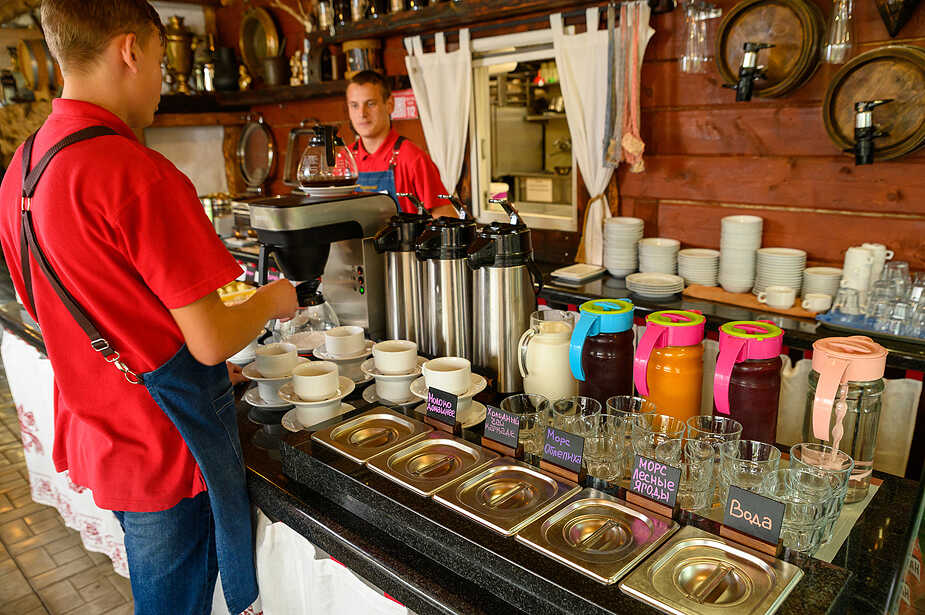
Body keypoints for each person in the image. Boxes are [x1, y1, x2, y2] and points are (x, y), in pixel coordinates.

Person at [0, 2, 297, 613]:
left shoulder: (22, 170)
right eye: (161, 61)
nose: (161, 80)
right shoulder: (136, 173)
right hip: (163, 446)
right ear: (130, 51)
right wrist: (271, 300)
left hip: (97, 430)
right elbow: (211, 341)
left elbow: (52, 310)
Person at [346, 70, 458, 217]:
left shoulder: (413, 158)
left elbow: (446, 219)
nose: (362, 113)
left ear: (390, 105)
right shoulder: (344, 161)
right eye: (354, 105)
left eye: (371, 104)